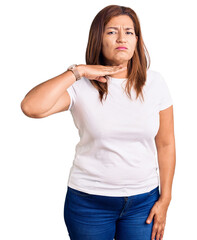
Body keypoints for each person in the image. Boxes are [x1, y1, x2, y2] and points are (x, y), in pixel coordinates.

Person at [20, 4, 176, 240]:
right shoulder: (80, 86)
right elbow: (31, 107)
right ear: (98, 38)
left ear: (137, 40)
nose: (122, 38)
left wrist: (165, 199)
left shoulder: (156, 83)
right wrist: (78, 71)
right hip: (88, 203)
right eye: (112, 31)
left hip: (143, 203)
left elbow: (165, 144)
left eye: (129, 32)